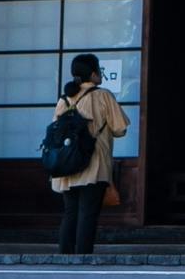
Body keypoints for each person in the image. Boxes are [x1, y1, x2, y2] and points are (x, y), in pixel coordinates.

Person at [48, 52, 129, 256]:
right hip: (94, 164)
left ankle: (64, 256)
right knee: (88, 214)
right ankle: (83, 256)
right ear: (93, 74)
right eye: (98, 70)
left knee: (70, 213)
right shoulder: (102, 96)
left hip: (67, 163)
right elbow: (120, 129)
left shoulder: (64, 100)